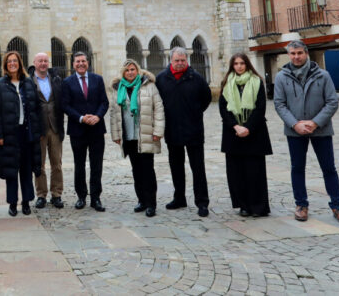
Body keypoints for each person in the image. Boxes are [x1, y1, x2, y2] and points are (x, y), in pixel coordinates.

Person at [274, 40, 339, 224]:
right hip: (295, 131)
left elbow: (332, 102)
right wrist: (295, 124)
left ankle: (337, 206)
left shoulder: (323, 75)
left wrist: (315, 122)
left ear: (306, 53)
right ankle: (301, 205)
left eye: (299, 53)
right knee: (297, 168)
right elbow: (279, 104)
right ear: (288, 55)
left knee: (329, 168)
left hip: (321, 130)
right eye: (293, 54)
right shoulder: (281, 77)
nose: (296, 57)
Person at [155, 47, 212, 217]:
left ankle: (202, 202)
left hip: (193, 130)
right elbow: (157, 102)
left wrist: (194, 113)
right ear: (170, 60)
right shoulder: (161, 79)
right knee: (176, 167)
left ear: (186, 60)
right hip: (172, 129)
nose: (180, 63)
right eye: (177, 60)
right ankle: (179, 198)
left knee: (198, 168)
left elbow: (206, 99)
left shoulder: (196, 78)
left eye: (183, 60)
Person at [218, 53, 272, 217]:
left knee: (255, 171)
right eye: (236, 64)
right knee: (236, 172)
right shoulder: (226, 83)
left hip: (254, 133)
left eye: (242, 63)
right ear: (232, 66)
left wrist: (247, 127)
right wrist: (235, 126)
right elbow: (223, 108)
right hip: (233, 133)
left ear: (247, 64)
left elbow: (260, 107)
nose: (239, 66)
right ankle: (243, 205)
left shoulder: (257, 81)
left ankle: (258, 207)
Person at [109, 59, 164, 217]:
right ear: (123, 73)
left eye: (133, 69)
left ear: (138, 70)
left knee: (148, 169)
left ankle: (151, 203)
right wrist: (116, 134)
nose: (130, 72)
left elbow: (158, 108)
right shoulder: (118, 88)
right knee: (136, 170)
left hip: (146, 133)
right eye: (127, 70)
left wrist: (158, 131)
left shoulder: (149, 86)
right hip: (129, 135)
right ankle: (141, 200)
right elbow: (114, 113)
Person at [0, 51, 42, 216]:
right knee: (11, 170)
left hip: (26, 132)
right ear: (5, 65)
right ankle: (12, 203)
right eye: (9, 61)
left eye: (15, 61)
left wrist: (38, 130)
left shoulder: (28, 83)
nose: (12, 64)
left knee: (26, 169)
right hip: (9, 133)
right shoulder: (0, 84)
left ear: (20, 63)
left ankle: (26, 202)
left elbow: (36, 108)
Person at [62, 51, 109, 212]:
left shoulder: (98, 79)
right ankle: (81, 196)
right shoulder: (67, 82)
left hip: (96, 129)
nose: (81, 64)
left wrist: (97, 116)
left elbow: (104, 102)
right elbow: (65, 105)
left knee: (96, 165)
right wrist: (81, 118)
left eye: (83, 61)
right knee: (79, 164)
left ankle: (96, 198)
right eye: (78, 61)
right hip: (78, 130)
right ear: (73, 64)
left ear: (87, 63)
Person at [30, 53, 65, 209]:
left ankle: (56, 194)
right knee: (39, 164)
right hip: (39, 129)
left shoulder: (56, 79)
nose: (43, 63)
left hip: (55, 126)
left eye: (45, 61)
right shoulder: (29, 81)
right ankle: (41, 195)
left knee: (56, 163)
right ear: (34, 63)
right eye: (40, 61)